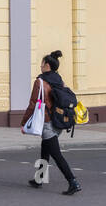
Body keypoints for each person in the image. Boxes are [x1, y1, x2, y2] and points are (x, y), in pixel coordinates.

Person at [21, 49, 81, 196]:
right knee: (45, 149)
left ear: (47, 65)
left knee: (56, 154)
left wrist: (24, 123)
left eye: (42, 64)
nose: (40, 66)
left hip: (47, 122)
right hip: (58, 120)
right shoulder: (58, 79)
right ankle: (39, 179)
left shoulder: (40, 82)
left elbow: (33, 104)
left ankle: (72, 181)